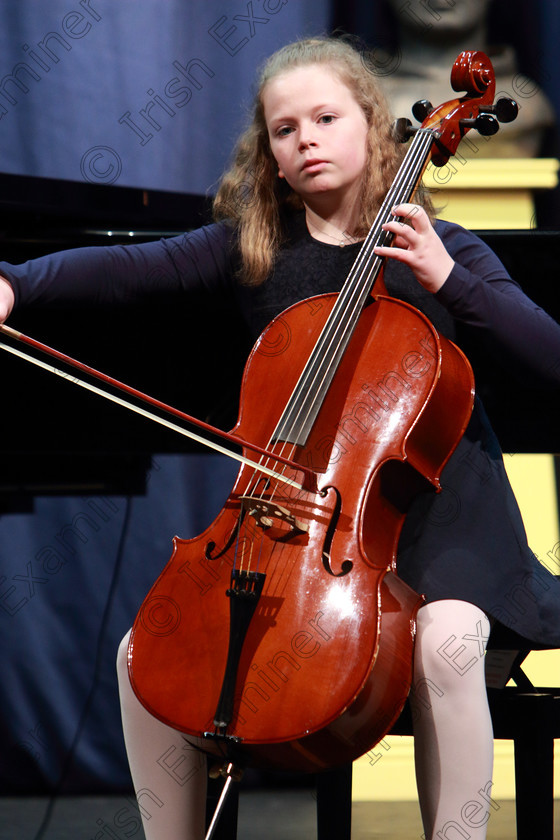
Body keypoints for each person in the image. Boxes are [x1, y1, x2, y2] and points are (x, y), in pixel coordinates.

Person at [1, 35, 560, 840]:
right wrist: (16, 281)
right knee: (144, 657)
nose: (306, 139)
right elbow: (125, 271)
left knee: (445, 643)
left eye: (325, 118)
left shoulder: (441, 249)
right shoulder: (256, 248)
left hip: (445, 522)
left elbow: (549, 355)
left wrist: (451, 281)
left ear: (371, 127)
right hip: (307, 530)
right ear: (267, 150)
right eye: (284, 128)